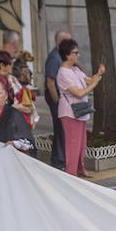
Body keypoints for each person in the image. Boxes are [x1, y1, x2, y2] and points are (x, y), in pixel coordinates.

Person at [56, 38, 105, 178]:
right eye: (75, 52)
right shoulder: (63, 73)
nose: (78, 55)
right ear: (67, 55)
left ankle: (80, 168)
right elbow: (79, 93)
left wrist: (99, 73)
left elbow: (90, 80)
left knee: (81, 143)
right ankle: (71, 174)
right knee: (73, 144)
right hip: (70, 112)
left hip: (80, 111)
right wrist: (93, 85)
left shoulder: (75, 69)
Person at [45, 29, 71, 170]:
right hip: (57, 98)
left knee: (62, 129)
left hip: (62, 99)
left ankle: (59, 159)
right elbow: (50, 83)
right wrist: (58, 102)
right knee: (60, 128)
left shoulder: (62, 56)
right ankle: (59, 161)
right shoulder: (54, 58)